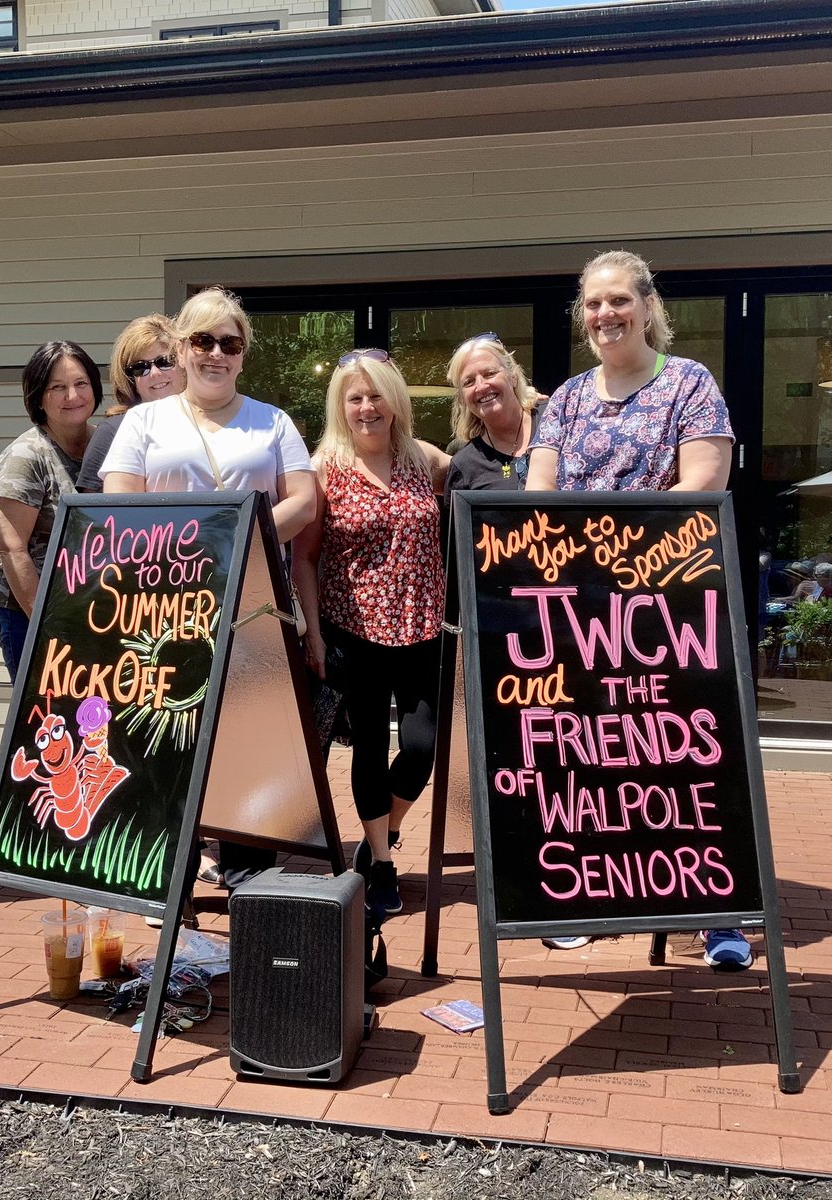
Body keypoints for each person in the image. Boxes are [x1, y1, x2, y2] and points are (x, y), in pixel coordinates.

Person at [525, 249, 748, 970]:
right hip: (582, 618)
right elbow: (537, 500)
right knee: (588, 761)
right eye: (592, 303)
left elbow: (702, 488)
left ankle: (719, 914)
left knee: (689, 759)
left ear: (649, 307)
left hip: (672, 609)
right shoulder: (564, 399)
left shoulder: (690, 384)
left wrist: (606, 536)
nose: (604, 315)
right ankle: (592, 896)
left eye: (619, 300)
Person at [102, 285, 316, 891]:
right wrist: (193, 547)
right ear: (180, 348)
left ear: (244, 354)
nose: (215, 353)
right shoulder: (145, 421)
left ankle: (246, 863)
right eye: (202, 340)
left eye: (229, 342)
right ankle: (166, 871)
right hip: (165, 603)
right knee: (166, 731)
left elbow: (301, 501)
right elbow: (120, 500)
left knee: (247, 730)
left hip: (253, 604)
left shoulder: (271, 421)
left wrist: (237, 539)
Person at [291, 349, 450, 920]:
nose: (367, 406)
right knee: (368, 751)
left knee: (421, 748)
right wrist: (311, 634)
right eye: (354, 397)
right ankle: (380, 862)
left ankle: (385, 828)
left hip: (421, 629)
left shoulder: (426, 460)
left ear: (395, 400)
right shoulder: (323, 468)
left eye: (376, 394)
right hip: (352, 631)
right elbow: (303, 559)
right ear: (341, 405)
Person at [0, 341, 100, 678]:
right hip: (31, 614)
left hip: (93, 614)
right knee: (44, 723)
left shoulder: (109, 444)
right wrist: (46, 622)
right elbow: (11, 547)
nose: (73, 396)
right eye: (58, 387)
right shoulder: (27, 455)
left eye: (81, 384)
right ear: (39, 397)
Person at [75, 314, 184, 493]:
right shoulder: (112, 432)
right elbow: (91, 515)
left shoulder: (208, 422)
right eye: (141, 368)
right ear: (131, 379)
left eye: (164, 361)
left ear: (183, 362)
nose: (155, 373)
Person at [444, 333, 540, 497]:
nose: (481, 386)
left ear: (513, 377)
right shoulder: (464, 466)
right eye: (469, 382)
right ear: (462, 397)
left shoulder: (555, 420)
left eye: (489, 373)